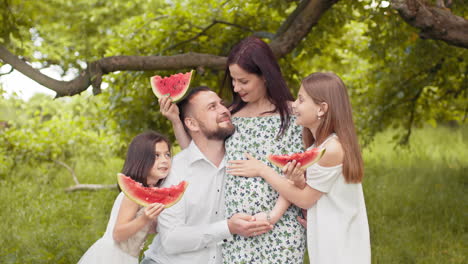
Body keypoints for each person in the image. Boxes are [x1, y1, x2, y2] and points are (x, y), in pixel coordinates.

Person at [159, 36, 306, 263]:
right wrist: (177, 122)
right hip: (236, 233)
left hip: (280, 228)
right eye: (234, 81)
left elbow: (296, 173)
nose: (236, 88)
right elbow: (200, 153)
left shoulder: (293, 116)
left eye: (244, 81)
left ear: (265, 76)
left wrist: (272, 216)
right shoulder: (232, 116)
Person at [227, 72, 371, 264]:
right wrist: (297, 182)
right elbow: (313, 192)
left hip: (341, 241)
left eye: (301, 100)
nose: (293, 104)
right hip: (327, 234)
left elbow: (305, 199)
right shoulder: (316, 148)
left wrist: (263, 170)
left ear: (322, 109)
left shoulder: (331, 149)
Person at [141, 86, 273, 264]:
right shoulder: (175, 171)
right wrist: (228, 227)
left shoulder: (246, 164)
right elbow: (171, 240)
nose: (224, 110)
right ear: (192, 124)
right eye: (212, 107)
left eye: (221, 104)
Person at [78, 131, 171, 264]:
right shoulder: (132, 195)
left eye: (167, 154)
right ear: (141, 160)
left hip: (128, 258)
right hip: (112, 257)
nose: (164, 160)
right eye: (156, 156)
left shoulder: (150, 192)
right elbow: (118, 234)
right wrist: (145, 218)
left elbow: (145, 230)